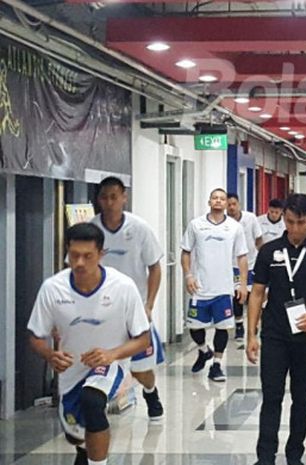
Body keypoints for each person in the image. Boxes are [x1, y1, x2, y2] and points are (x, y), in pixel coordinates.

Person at [28, 223, 150, 465]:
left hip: (110, 365)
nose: (80, 263)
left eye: (88, 256)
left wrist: (111, 354)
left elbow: (142, 338)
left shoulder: (123, 287)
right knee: (77, 435)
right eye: (74, 256)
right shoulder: (52, 288)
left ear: (101, 255)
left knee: (92, 401)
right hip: (70, 372)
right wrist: (50, 355)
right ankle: (85, 452)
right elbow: (35, 335)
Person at [246, 194, 306, 465]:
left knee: (302, 396)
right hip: (275, 332)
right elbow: (257, 293)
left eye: (300, 222)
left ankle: (294, 455)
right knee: (271, 395)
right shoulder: (269, 251)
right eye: (289, 222)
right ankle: (265, 457)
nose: (294, 229)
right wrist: (252, 334)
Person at [90, 176, 165, 421]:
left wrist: (149, 304)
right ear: (99, 200)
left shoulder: (139, 228)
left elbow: (154, 267)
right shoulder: (91, 230)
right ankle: (95, 410)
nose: (109, 202)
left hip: (135, 314)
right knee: (98, 364)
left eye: (114, 197)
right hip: (100, 315)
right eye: (104, 197)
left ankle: (150, 392)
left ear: (124, 197)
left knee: (141, 369)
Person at [181, 188, 249, 382]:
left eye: (222, 199)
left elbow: (242, 256)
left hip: (224, 288)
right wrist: (188, 275)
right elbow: (185, 251)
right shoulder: (196, 225)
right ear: (209, 202)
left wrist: (242, 284)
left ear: (227, 203)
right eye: (215, 198)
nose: (218, 201)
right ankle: (203, 351)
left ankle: (217, 365)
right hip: (200, 288)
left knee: (223, 328)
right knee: (194, 328)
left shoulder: (234, 228)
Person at [227, 193, 263, 340]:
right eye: (228, 205)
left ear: (239, 204)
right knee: (238, 295)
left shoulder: (250, 218)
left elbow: (259, 238)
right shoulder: (224, 223)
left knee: (253, 295)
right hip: (233, 264)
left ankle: (254, 324)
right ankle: (239, 324)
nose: (231, 207)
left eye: (234, 204)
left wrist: (263, 258)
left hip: (252, 262)